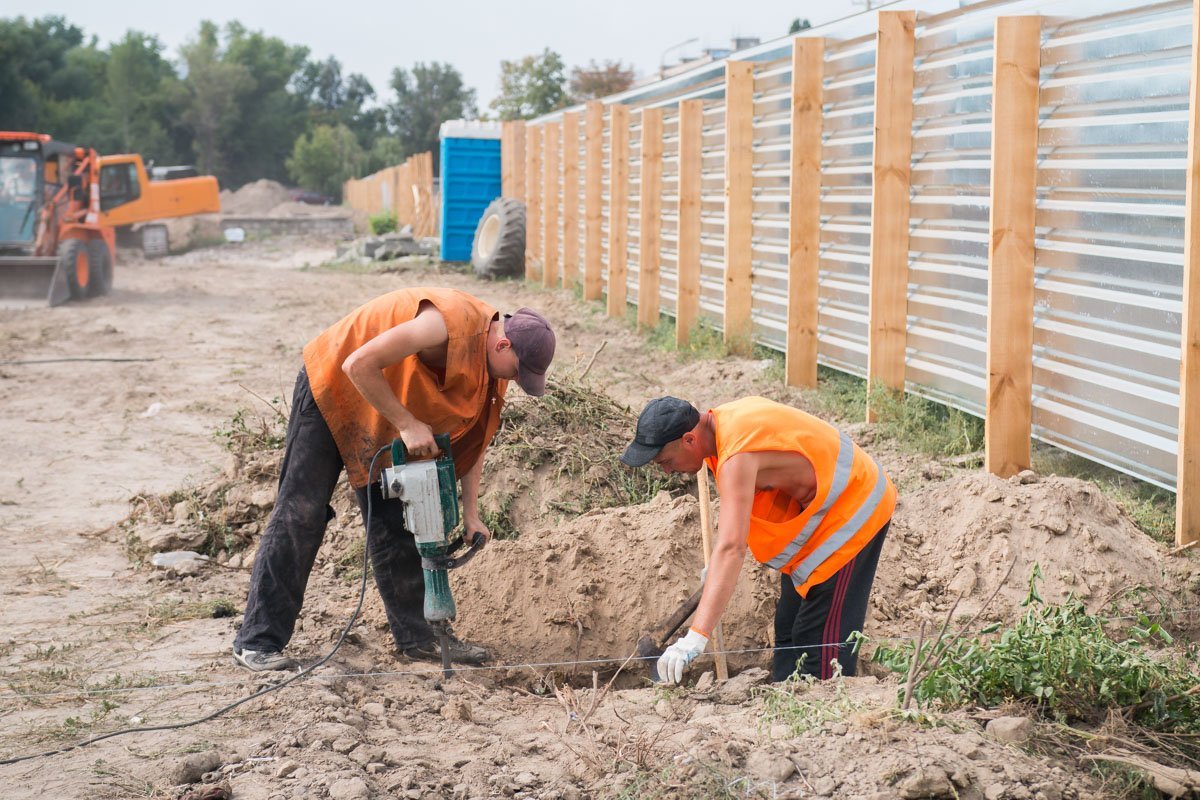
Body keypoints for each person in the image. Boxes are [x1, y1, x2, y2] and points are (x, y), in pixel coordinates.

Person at [233, 287, 556, 671]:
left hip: (384, 408)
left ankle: (418, 639)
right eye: (519, 371)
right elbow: (358, 364)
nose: (517, 381)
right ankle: (257, 642)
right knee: (301, 513)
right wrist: (407, 423)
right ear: (503, 345)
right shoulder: (447, 322)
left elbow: (476, 443)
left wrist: (471, 513)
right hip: (334, 385)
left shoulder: (492, 370)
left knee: (397, 522)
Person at [620, 396, 895, 684]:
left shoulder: (737, 455)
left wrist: (696, 637)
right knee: (789, 630)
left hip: (855, 507)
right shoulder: (721, 429)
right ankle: (784, 702)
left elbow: (732, 547)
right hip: (821, 512)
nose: (665, 470)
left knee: (819, 641)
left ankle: (823, 708)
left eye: (665, 461)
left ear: (689, 440)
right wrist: (715, 570)